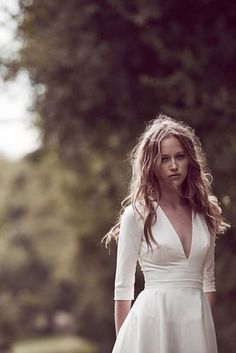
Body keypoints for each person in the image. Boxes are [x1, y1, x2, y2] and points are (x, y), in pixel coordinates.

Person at [103, 114, 230, 353]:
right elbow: (123, 287)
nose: (173, 165)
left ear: (189, 160)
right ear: (152, 164)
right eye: (164, 159)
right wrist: (124, 342)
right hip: (151, 322)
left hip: (196, 323)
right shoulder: (137, 214)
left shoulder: (206, 211)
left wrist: (205, 331)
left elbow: (208, 280)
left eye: (179, 156)